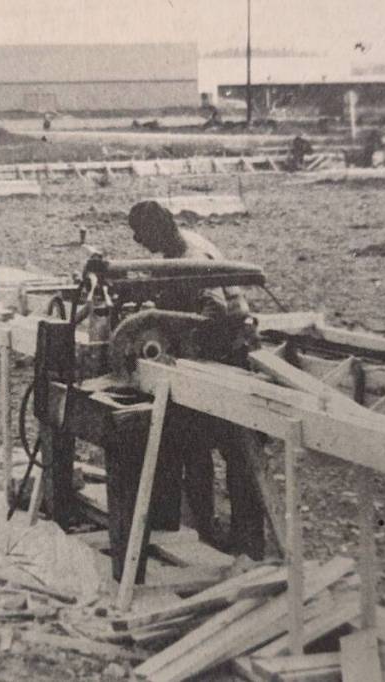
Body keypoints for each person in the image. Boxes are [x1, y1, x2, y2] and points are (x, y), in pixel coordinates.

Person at [126, 200, 266, 559]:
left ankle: (248, 544)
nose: (137, 240)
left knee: (237, 449)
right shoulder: (174, 250)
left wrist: (170, 326)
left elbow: (215, 312)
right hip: (203, 353)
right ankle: (204, 531)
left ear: (157, 230)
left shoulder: (193, 255)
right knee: (192, 443)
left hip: (228, 352)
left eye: (141, 234)